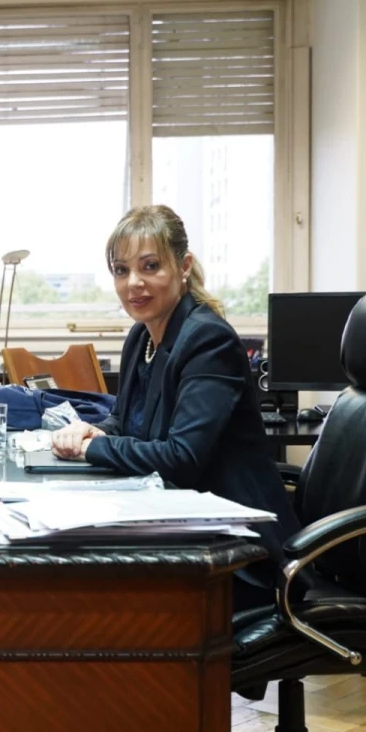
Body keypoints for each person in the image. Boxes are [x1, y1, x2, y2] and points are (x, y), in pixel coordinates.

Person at [51, 205, 300, 611]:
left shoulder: (207, 341)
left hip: (238, 553)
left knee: (92, 596)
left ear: (183, 266)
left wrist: (90, 449)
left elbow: (181, 457)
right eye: (121, 270)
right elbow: (125, 419)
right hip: (183, 523)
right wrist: (91, 430)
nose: (134, 283)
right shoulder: (141, 336)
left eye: (150, 266)